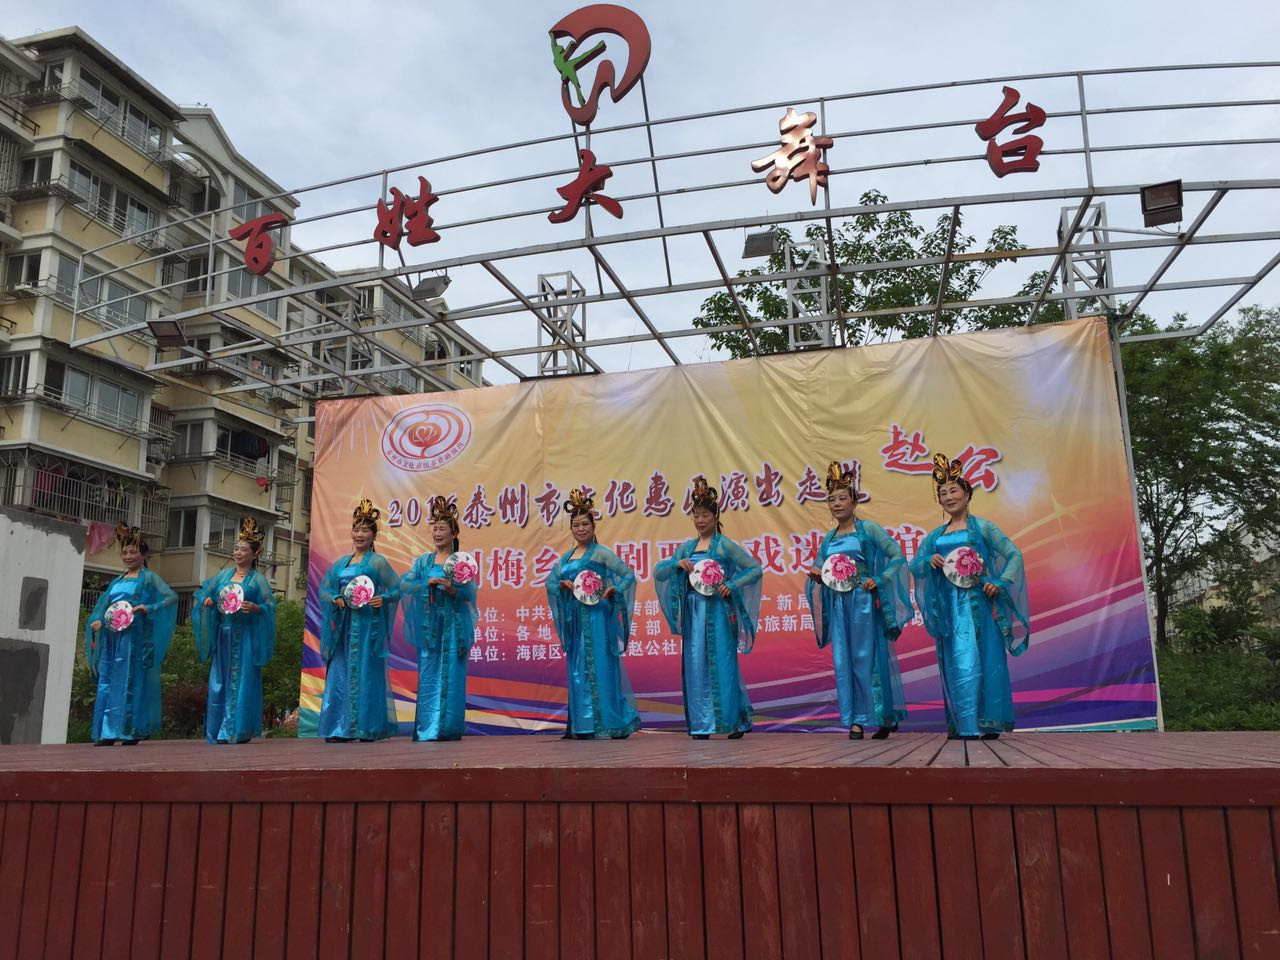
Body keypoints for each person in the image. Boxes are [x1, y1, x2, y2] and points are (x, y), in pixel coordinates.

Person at [911, 453, 1030, 740]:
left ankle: (987, 722)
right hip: (949, 608)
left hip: (980, 605)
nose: (949, 497)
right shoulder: (935, 537)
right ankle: (964, 723)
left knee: (986, 660)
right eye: (943, 493)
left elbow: (1013, 554)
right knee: (956, 662)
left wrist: (1001, 582)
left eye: (954, 491)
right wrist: (929, 561)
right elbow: (914, 565)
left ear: (967, 494)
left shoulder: (984, 528)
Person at [805, 463, 911, 739]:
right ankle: (855, 719)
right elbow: (820, 569)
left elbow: (896, 556)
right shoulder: (828, 539)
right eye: (832, 500)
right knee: (843, 660)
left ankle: (880, 715)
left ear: (854, 501)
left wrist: (880, 578)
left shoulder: (869, 530)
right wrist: (817, 577)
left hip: (864, 603)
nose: (837, 504)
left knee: (867, 658)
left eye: (842, 498)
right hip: (839, 606)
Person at [655, 476, 762, 739]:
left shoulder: (724, 545)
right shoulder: (687, 548)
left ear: (715, 516)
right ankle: (702, 724)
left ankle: (731, 722)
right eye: (696, 515)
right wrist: (676, 565)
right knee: (695, 664)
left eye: (705, 515)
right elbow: (659, 572)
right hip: (694, 613)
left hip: (718, 612)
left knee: (723, 663)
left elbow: (754, 569)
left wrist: (732, 585)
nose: (700, 520)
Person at [546, 487, 642, 740]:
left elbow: (627, 575)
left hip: (598, 617)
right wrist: (562, 586)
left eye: (585, 524)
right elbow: (550, 582)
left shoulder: (600, 553)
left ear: (593, 526)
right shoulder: (566, 557)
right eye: (576, 525)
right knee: (579, 670)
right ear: (571, 529)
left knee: (601, 667)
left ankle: (608, 723)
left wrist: (614, 590)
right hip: (576, 620)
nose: (580, 529)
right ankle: (584, 724)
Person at [85, 524, 177, 745]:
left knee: (129, 681)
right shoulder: (116, 581)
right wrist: (98, 620)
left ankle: (129, 730)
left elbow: (171, 598)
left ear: (143, 555)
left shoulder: (149, 578)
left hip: (134, 638)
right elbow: (102, 606)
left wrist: (148, 608)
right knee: (108, 680)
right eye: (124, 552)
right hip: (112, 638)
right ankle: (105, 732)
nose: (128, 556)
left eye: (133, 552)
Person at [317, 498, 400, 742]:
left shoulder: (377, 562)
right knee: (339, 673)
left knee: (367, 673)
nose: (359, 535)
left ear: (373, 535)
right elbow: (324, 589)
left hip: (367, 628)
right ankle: (338, 728)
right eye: (356, 530)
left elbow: (398, 588)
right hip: (343, 629)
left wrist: (383, 598)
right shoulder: (341, 563)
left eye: (365, 530)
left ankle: (367, 728)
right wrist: (334, 598)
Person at [400, 496, 477, 741]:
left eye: (442, 528)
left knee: (452, 673)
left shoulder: (461, 561)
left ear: (454, 532)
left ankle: (448, 728)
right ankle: (427, 727)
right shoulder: (424, 561)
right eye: (434, 528)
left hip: (454, 624)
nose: (437, 533)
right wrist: (426, 583)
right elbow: (405, 584)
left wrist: (454, 590)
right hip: (430, 625)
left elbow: (470, 592)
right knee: (428, 673)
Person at [193, 516, 277, 744]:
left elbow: (270, 606)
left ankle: (236, 729)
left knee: (243, 680)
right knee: (219, 681)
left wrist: (257, 608)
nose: (238, 553)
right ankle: (217, 729)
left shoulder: (258, 580)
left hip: (245, 635)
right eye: (237, 548)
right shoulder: (223, 576)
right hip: (224, 634)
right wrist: (207, 601)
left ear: (255, 554)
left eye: (243, 549)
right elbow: (203, 593)